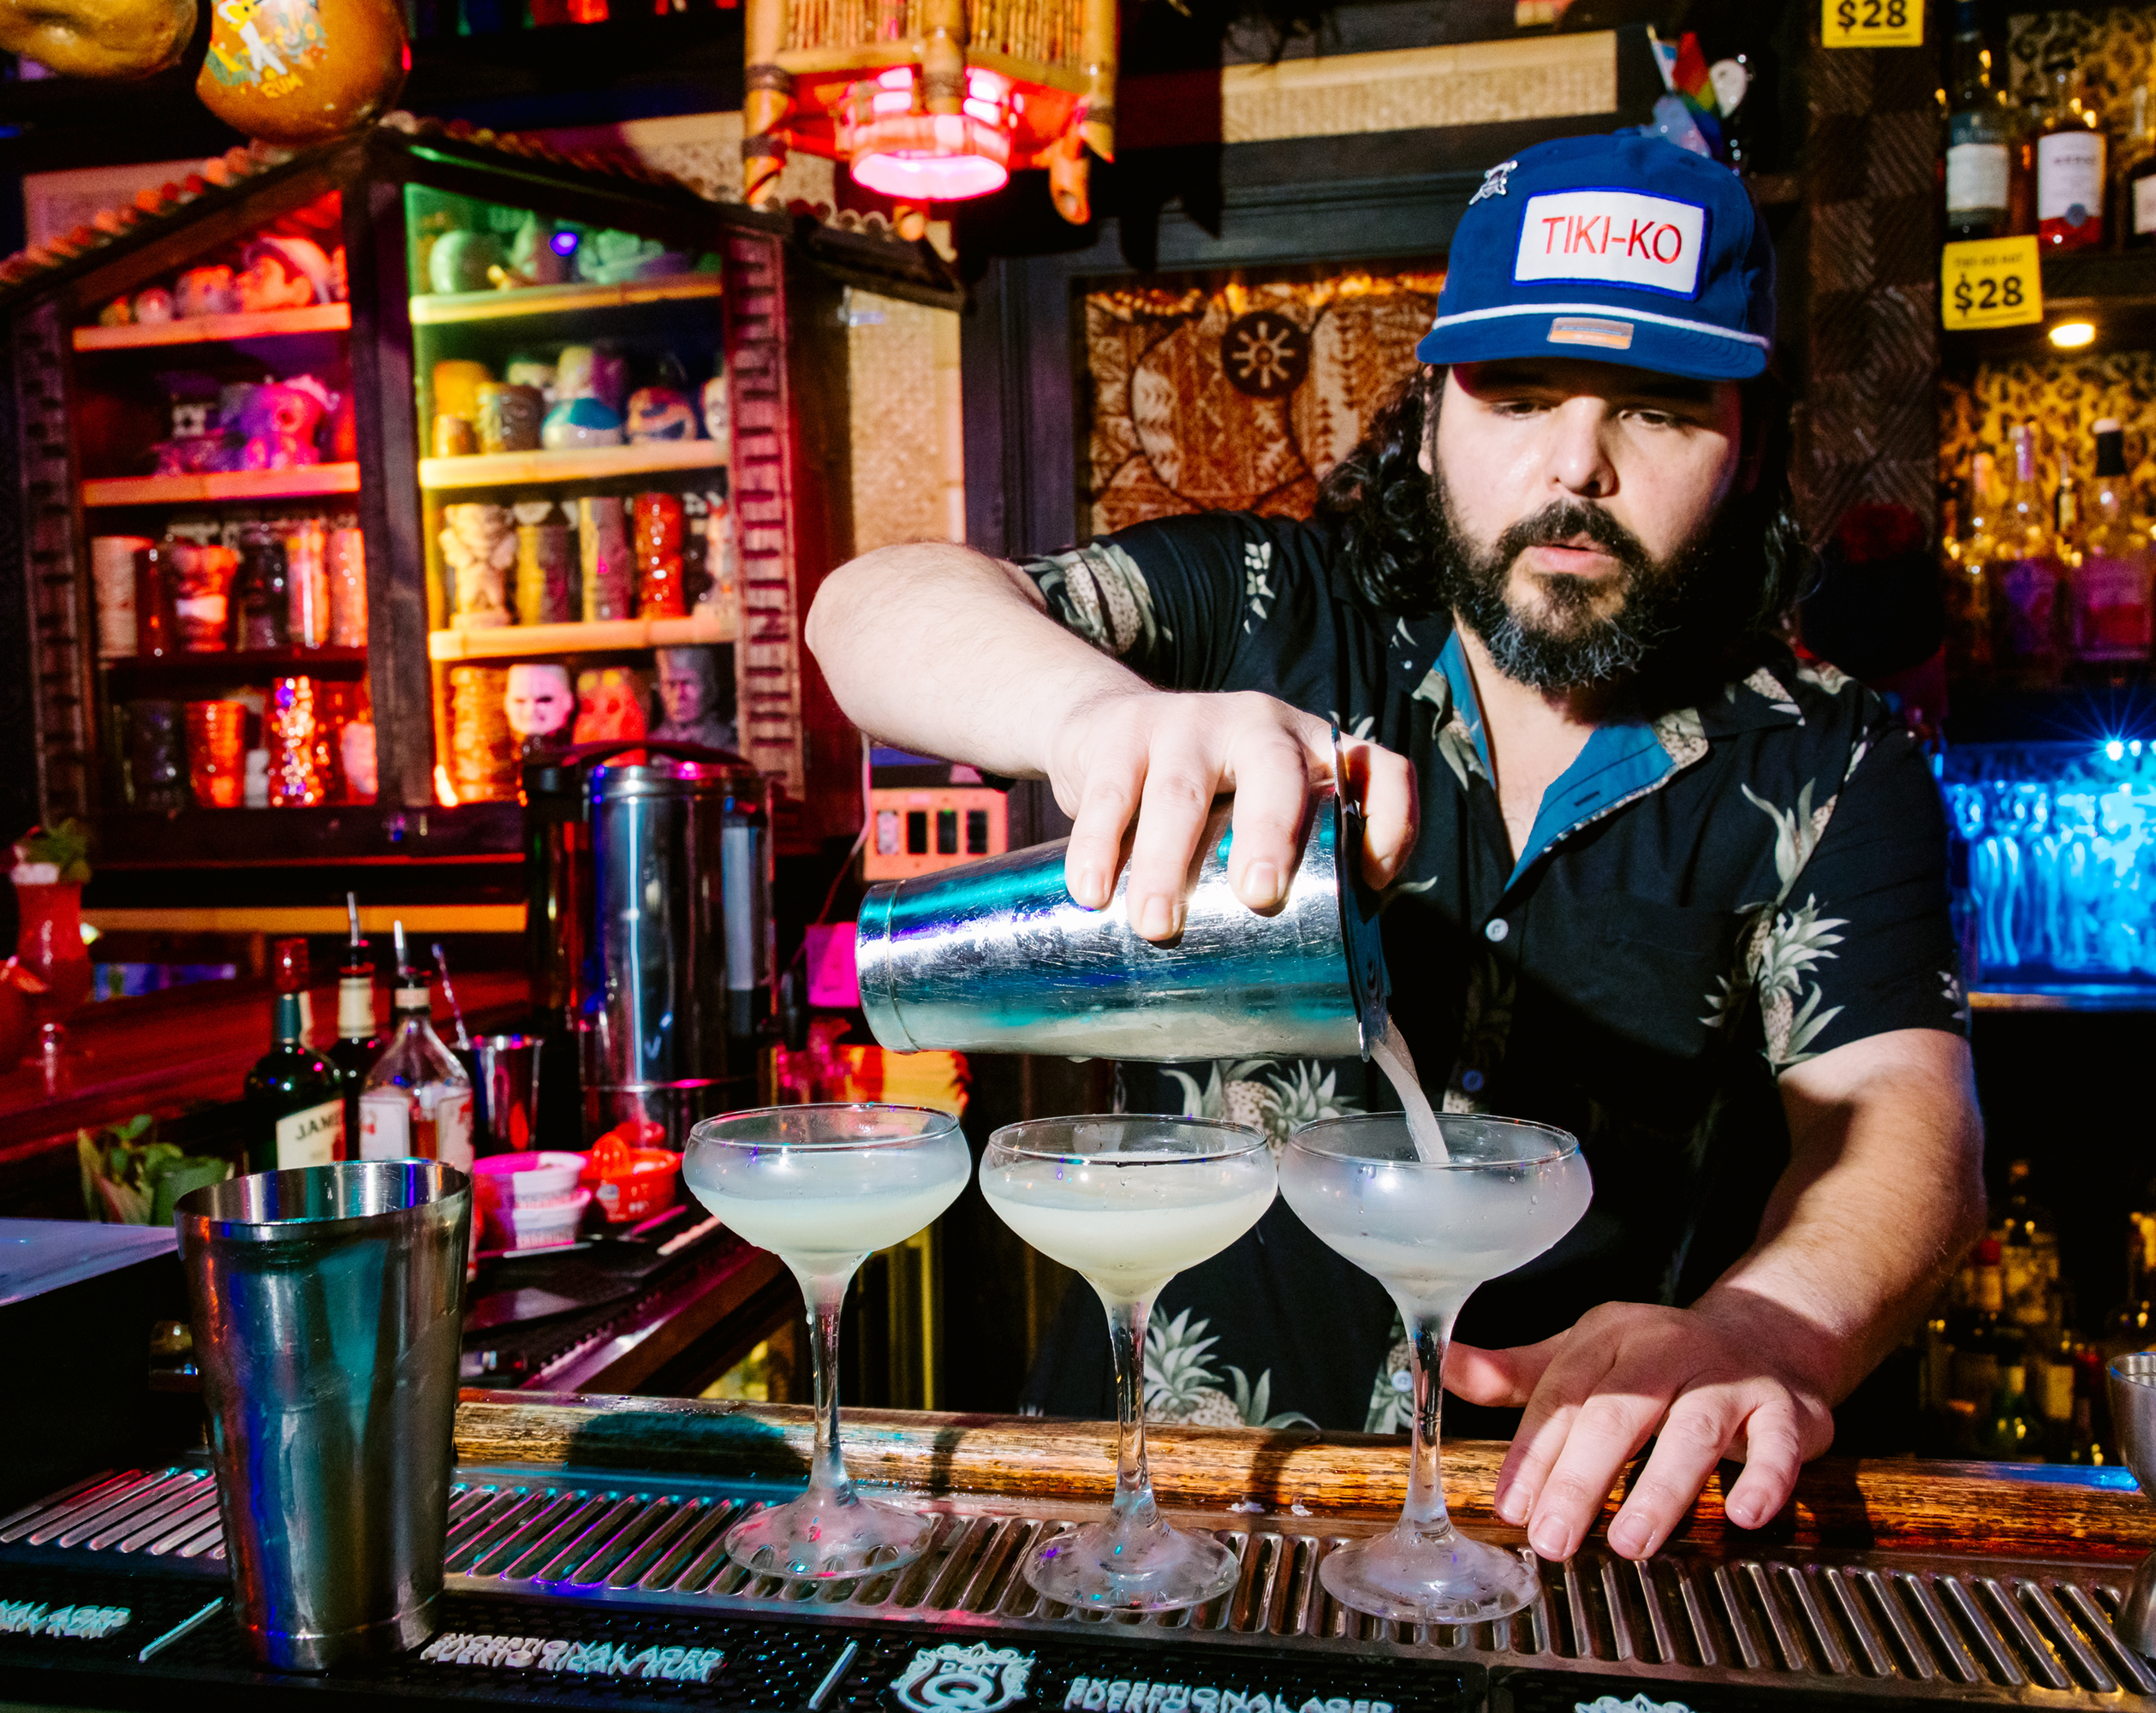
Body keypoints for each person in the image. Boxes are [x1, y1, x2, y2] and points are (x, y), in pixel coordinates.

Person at [806, 129, 1983, 1562]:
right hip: (1149, 1505)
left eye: (1661, 408)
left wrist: (1764, 1325)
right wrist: (1096, 716)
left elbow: (1906, 1133)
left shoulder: (1829, 757)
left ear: (1747, 449)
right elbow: (871, 610)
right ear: (1430, 415)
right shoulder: (1267, 606)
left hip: (1557, 1533)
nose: (1578, 465)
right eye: (1520, 393)